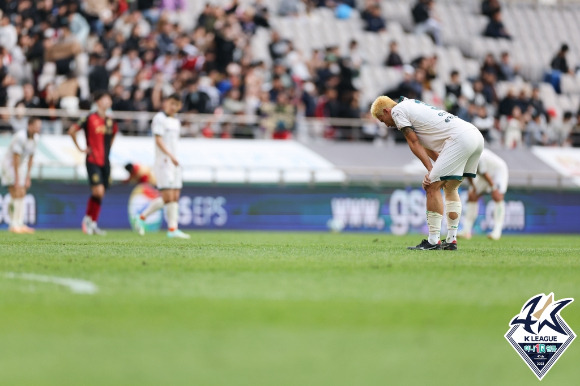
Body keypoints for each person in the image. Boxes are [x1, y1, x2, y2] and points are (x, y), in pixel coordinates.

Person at [371, 96, 484, 250]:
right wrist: (435, 169)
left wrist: (431, 172)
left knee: (431, 186)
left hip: (461, 138)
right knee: (450, 187)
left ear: (386, 110)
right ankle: (451, 240)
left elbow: (414, 142)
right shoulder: (410, 107)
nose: (386, 124)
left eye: (382, 119)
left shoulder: (397, 111)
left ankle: (433, 241)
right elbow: (425, 145)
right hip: (474, 135)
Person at [133, 94, 190, 239]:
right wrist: (170, 156)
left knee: (175, 196)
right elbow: (158, 140)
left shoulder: (176, 121)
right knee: (167, 197)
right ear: (166, 103)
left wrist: (175, 158)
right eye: (171, 103)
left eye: (176, 105)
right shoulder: (159, 118)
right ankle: (141, 217)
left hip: (175, 162)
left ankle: (173, 229)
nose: (173, 107)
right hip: (164, 162)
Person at [68, 91, 118, 236]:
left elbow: (113, 135)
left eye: (109, 99)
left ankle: (92, 222)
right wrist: (81, 148)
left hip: (105, 161)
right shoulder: (88, 118)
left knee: (100, 194)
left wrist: (107, 149)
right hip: (92, 160)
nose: (108, 101)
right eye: (105, 98)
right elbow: (72, 131)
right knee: (98, 191)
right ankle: (87, 220)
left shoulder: (111, 121)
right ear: (97, 102)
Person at [1, 117, 42, 234]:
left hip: (20, 166)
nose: (39, 128)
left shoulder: (36, 138)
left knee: (22, 193)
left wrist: (28, 176)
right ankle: (13, 224)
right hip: (9, 165)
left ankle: (20, 223)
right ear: (30, 125)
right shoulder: (20, 137)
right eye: (37, 126)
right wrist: (17, 179)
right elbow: (15, 158)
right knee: (15, 192)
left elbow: (30, 158)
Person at [461, 149, 509, 240]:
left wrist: (494, 188)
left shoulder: (478, 156)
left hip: (498, 171)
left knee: (497, 196)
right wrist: (473, 187)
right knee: (472, 196)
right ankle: (466, 231)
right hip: (485, 175)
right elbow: (467, 174)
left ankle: (497, 232)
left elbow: (484, 173)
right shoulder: (462, 156)